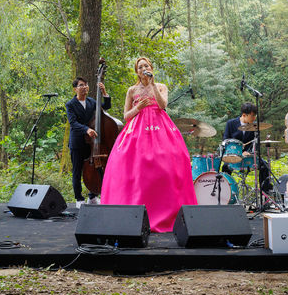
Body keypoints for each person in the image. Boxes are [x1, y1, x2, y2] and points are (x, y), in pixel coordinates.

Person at [101, 57, 197, 232]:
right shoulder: (131, 90)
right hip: (137, 128)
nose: (143, 68)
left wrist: (152, 85)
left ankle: (170, 212)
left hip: (160, 125)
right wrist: (138, 108)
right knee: (133, 165)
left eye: (146, 66)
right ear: (137, 71)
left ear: (151, 68)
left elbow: (163, 105)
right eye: (140, 67)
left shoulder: (160, 87)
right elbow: (126, 115)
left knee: (168, 162)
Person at [66, 77, 111, 206]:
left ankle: (92, 196)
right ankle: (79, 199)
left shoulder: (92, 101)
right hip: (78, 142)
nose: (84, 87)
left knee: (94, 169)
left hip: (91, 143)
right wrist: (86, 129)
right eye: (81, 85)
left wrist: (104, 94)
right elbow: (73, 123)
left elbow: (106, 107)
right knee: (77, 171)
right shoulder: (70, 104)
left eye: (86, 85)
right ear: (75, 89)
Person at [223, 102, 271, 194]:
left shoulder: (255, 127)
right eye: (252, 116)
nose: (254, 118)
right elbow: (226, 140)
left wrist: (251, 152)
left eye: (255, 115)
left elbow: (255, 143)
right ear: (244, 115)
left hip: (249, 155)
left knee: (265, 166)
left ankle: (265, 194)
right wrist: (239, 152)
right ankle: (226, 194)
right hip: (233, 155)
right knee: (225, 167)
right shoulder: (231, 123)